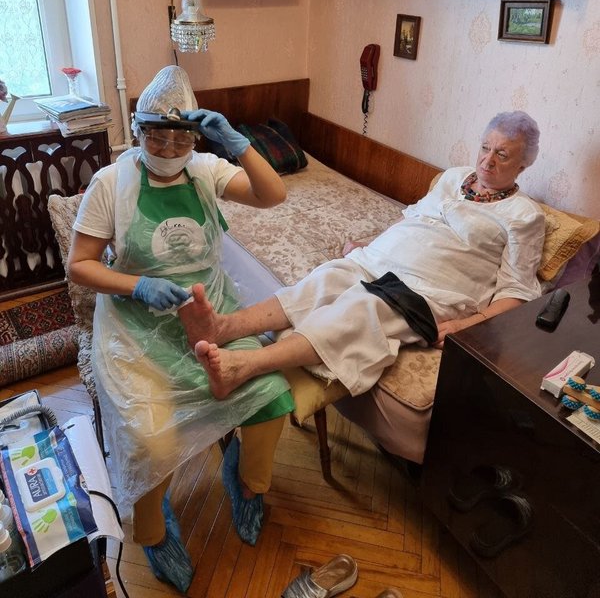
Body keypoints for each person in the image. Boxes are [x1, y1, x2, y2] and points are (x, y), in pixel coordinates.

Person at [67, 66, 294, 593]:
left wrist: (240, 145)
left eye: (181, 138)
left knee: (272, 397)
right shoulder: (111, 184)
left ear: (196, 139)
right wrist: (137, 285)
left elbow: (273, 195)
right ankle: (152, 530)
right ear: (137, 130)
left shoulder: (208, 171)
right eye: (156, 136)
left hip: (209, 317)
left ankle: (247, 484)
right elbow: (80, 265)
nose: (169, 149)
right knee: (151, 439)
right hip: (135, 330)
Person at [181, 111, 546, 404]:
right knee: (323, 279)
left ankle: (245, 366)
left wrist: (467, 325)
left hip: (426, 291)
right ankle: (224, 327)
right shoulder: (453, 178)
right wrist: (368, 244)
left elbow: (517, 292)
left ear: (523, 166)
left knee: (361, 309)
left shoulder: (524, 216)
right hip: (380, 259)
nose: (487, 160)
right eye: (485, 147)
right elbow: (411, 219)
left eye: (502, 155)